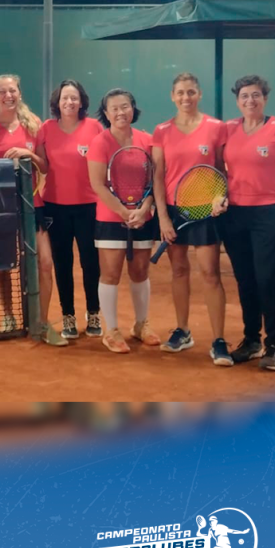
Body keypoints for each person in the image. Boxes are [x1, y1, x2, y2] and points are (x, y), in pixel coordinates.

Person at [213, 75, 275, 371]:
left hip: (271, 214)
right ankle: (251, 340)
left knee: (268, 280)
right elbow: (220, 170)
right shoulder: (228, 129)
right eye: (244, 96)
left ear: (265, 98)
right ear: (237, 101)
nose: (250, 100)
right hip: (236, 215)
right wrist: (219, 196)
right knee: (246, 280)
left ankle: (273, 345)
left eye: (255, 95)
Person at [152, 72, 231, 365]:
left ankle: (219, 340)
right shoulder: (161, 131)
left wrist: (220, 197)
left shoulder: (216, 128)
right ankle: (183, 331)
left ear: (199, 95)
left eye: (191, 92)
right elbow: (158, 177)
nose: (186, 97)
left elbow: (221, 170)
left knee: (210, 273)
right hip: (175, 211)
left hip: (206, 211)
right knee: (179, 271)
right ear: (172, 96)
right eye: (181, 92)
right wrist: (163, 218)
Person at [87, 88, 160, 353]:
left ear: (133, 108)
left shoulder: (147, 141)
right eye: (114, 108)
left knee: (140, 272)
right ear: (106, 114)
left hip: (143, 217)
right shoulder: (100, 142)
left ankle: (141, 325)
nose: (120, 112)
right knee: (110, 274)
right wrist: (123, 211)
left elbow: (155, 182)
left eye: (125, 106)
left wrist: (145, 208)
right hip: (110, 218)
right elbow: (97, 184)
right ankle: (112, 330)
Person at [34, 79, 103, 345]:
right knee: (62, 263)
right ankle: (68, 317)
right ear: (58, 102)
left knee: (91, 262)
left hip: (89, 207)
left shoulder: (94, 127)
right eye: (65, 98)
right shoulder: (46, 128)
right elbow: (42, 165)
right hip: (55, 207)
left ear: (81, 101)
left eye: (74, 98)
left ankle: (94, 314)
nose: (69, 102)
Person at [0, 74, 45, 333]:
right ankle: (8, 314)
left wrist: (27, 154)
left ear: (19, 93)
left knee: (39, 260)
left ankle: (37, 316)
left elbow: (44, 166)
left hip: (32, 205)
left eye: (12, 91)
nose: (8, 95)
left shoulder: (34, 125)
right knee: (2, 264)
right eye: (2, 91)